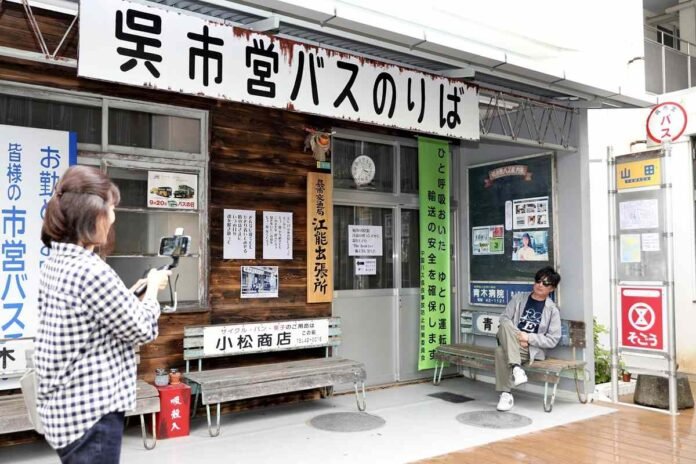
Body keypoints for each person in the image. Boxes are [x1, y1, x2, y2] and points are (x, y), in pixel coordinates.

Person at [35, 166, 170, 463]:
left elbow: (94, 315)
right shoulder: (92, 270)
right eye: (110, 209)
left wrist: (130, 293)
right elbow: (142, 329)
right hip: (92, 412)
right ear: (92, 215)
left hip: (63, 407)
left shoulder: (57, 262)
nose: (113, 218)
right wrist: (153, 292)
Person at [495, 266, 561, 412]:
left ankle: (506, 393)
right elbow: (504, 318)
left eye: (545, 283)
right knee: (504, 325)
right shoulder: (519, 298)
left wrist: (529, 338)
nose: (540, 285)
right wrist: (519, 336)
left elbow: (553, 339)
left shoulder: (552, 310)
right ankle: (517, 369)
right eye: (538, 281)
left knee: (500, 351)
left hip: (530, 349)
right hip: (515, 341)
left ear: (552, 288)